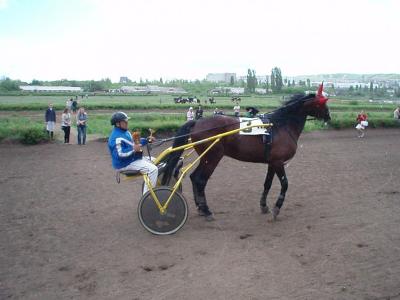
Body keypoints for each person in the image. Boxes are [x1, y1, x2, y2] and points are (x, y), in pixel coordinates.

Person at [108, 112, 158, 195]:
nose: (127, 123)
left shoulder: (125, 132)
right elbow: (119, 155)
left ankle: (159, 189)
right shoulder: (116, 138)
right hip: (124, 164)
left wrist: (147, 140)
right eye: (125, 121)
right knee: (153, 169)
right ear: (117, 124)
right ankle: (147, 197)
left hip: (132, 159)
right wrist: (133, 150)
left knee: (157, 160)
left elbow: (134, 143)